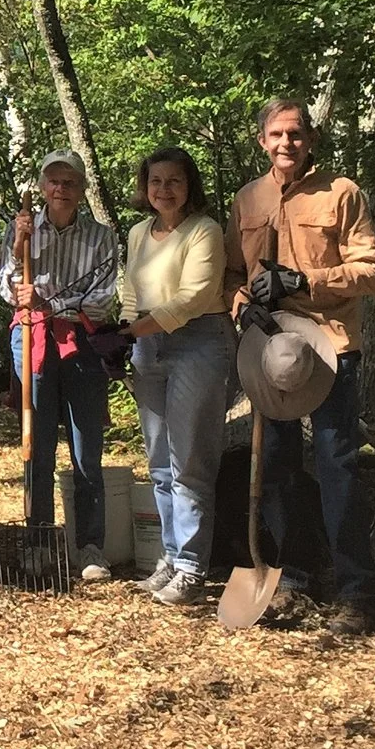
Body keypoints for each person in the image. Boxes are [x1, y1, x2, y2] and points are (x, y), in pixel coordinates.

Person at [225, 96, 375, 635]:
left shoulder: (342, 194)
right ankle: (293, 577)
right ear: (262, 141)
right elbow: (229, 275)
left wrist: (305, 283)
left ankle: (357, 589)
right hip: (272, 354)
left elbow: (372, 270)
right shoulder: (248, 199)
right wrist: (243, 307)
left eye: (295, 134)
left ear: (310, 139)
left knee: (338, 464)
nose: (286, 143)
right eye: (276, 135)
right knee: (275, 466)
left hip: (332, 348)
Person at [117, 146, 231, 607]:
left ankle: (191, 567)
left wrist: (133, 329)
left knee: (190, 460)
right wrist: (123, 336)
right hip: (148, 342)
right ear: (145, 188)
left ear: (190, 187)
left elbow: (192, 298)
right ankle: (170, 555)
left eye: (174, 182)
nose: (164, 190)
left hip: (198, 342)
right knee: (160, 461)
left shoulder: (204, 231)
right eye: (156, 181)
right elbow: (130, 288)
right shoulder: (139, 232)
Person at [3, 150, 122, 583]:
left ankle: (90, 545)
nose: (61, 189)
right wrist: (19, 249)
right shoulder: (23, 230)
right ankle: (37, 540)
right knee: (36, 446)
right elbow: (6, 285)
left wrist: (48, 301)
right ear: (42, 187)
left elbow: (101, 298)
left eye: (70, 182)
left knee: (86, 447)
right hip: (32, 339)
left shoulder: (102, 237)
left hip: (82, 341)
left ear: (82, 188)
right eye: (53, 181)